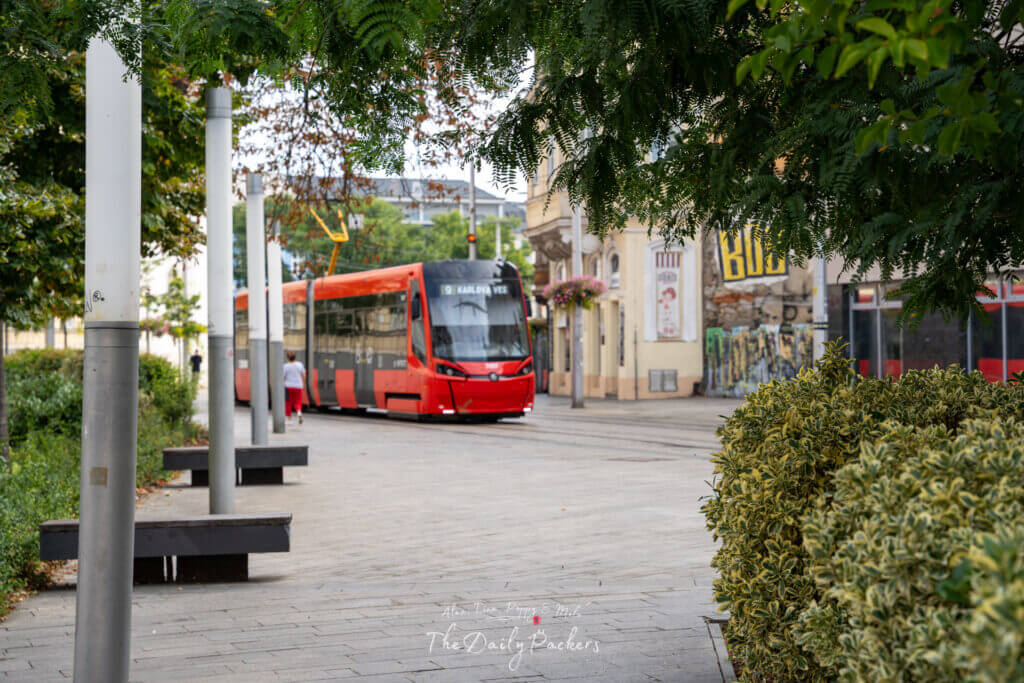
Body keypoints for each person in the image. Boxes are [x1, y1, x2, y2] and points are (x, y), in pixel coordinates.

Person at [283, 351, 306, 424]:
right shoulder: (300, 364)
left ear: (287, 358)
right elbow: (303, 375)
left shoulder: (285, 366)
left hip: (288, 386)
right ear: (295, 357)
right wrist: (304, 384)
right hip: (298, 386)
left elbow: (283, 377)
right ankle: (299, 412)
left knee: (288, 403)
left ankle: (289, 419)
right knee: (298, 401)